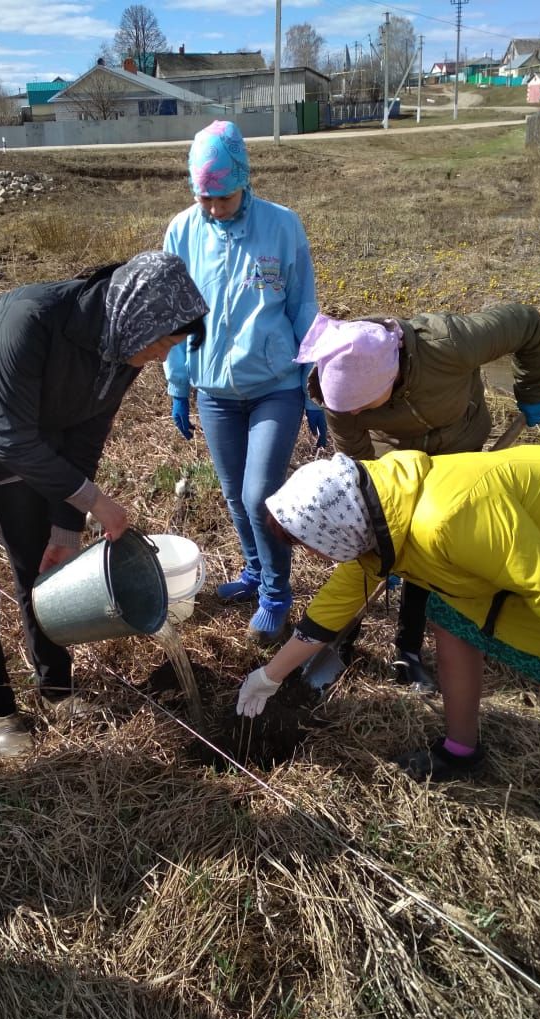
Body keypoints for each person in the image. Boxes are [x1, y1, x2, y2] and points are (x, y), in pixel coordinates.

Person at [0, 251, 209, 760]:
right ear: (136, 315)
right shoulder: (33, 319)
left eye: (171, 348)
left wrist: (66, 532)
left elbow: (85, 438)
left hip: (22, 454)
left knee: (41, 568)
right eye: (163, 343)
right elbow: (9, 439)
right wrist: (96, 503)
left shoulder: (122, 348)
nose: (160, 357)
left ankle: (57, 690)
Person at [235, 449, 540, 824]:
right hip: (512, 546)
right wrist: (269, 677)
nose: (314, 557)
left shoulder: (446, 519)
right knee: (450, 621)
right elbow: (330, 610)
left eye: (310, 546)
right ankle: (461, 750)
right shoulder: (375, 513)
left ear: (337, 530)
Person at [296, 304, 540, 691]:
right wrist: (382, 531)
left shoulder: (451, 343)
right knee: (372, 547)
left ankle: (408, 649)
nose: (358, 413)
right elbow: (357, 460)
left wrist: (532, 389)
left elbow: (529, 324)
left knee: (430, 551)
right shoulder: (339, 394)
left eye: (366, 405)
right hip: (394, 462)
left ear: (391, 376)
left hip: (459, 451)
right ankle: (340, 636)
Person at [163, 119, 327, 647]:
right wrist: (179, 383)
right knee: (235, 495)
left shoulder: (281, 227)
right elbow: (174, 315)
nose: (213, 208)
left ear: (245, 180)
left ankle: (277, 594)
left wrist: (316, 383)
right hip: (215, 390)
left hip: (275, 384)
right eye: (204, 197)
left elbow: (302, 305)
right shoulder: (182, 231)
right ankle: (255, 571)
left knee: (260, 495)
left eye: (223, 196)